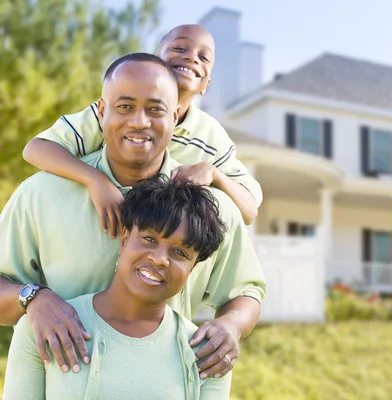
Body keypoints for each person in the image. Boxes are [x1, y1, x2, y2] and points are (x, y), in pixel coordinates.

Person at [0, 53, 265, 381]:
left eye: (155, 109)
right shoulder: (41, 194)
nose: (140, 122)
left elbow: (246, 291)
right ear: (101, 111)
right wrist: (34, 299)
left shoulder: (212, 209)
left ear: (176, 114)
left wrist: (231, 326)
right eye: (125, 106)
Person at [22, 24, 261, 239]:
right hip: (94, 230)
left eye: (203, 57)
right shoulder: (113, 113)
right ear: (155, 60)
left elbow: (249, 211)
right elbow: (36, 149)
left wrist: (213, 174)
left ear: (206, 84)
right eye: (179, 48)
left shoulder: (211, 137)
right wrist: (95, 180)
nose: (191, 58)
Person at [3, 176, 232, 400]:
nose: (160, 259)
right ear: (124, 240)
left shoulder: (207, 353)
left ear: (191, 269)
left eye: (180, 253)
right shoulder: (46, 326)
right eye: (149, 239)